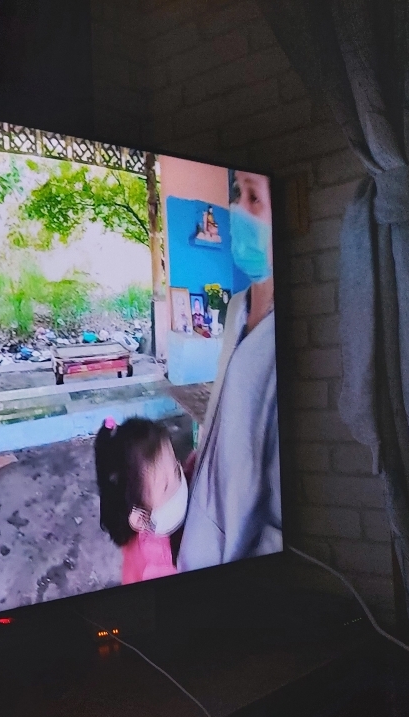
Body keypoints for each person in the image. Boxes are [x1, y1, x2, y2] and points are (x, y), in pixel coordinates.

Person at [178, 170, 281, 570]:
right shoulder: (237, 307)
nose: (237, 209)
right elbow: (224, 403)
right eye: (237, 194)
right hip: (197, 532)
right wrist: (203, 454)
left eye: (253, 198)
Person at [95, 417, 187, 585]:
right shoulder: (158, 566)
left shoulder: (144, 516)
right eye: (166, 486)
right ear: (140, 519)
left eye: (175, 468)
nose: (179, 484)